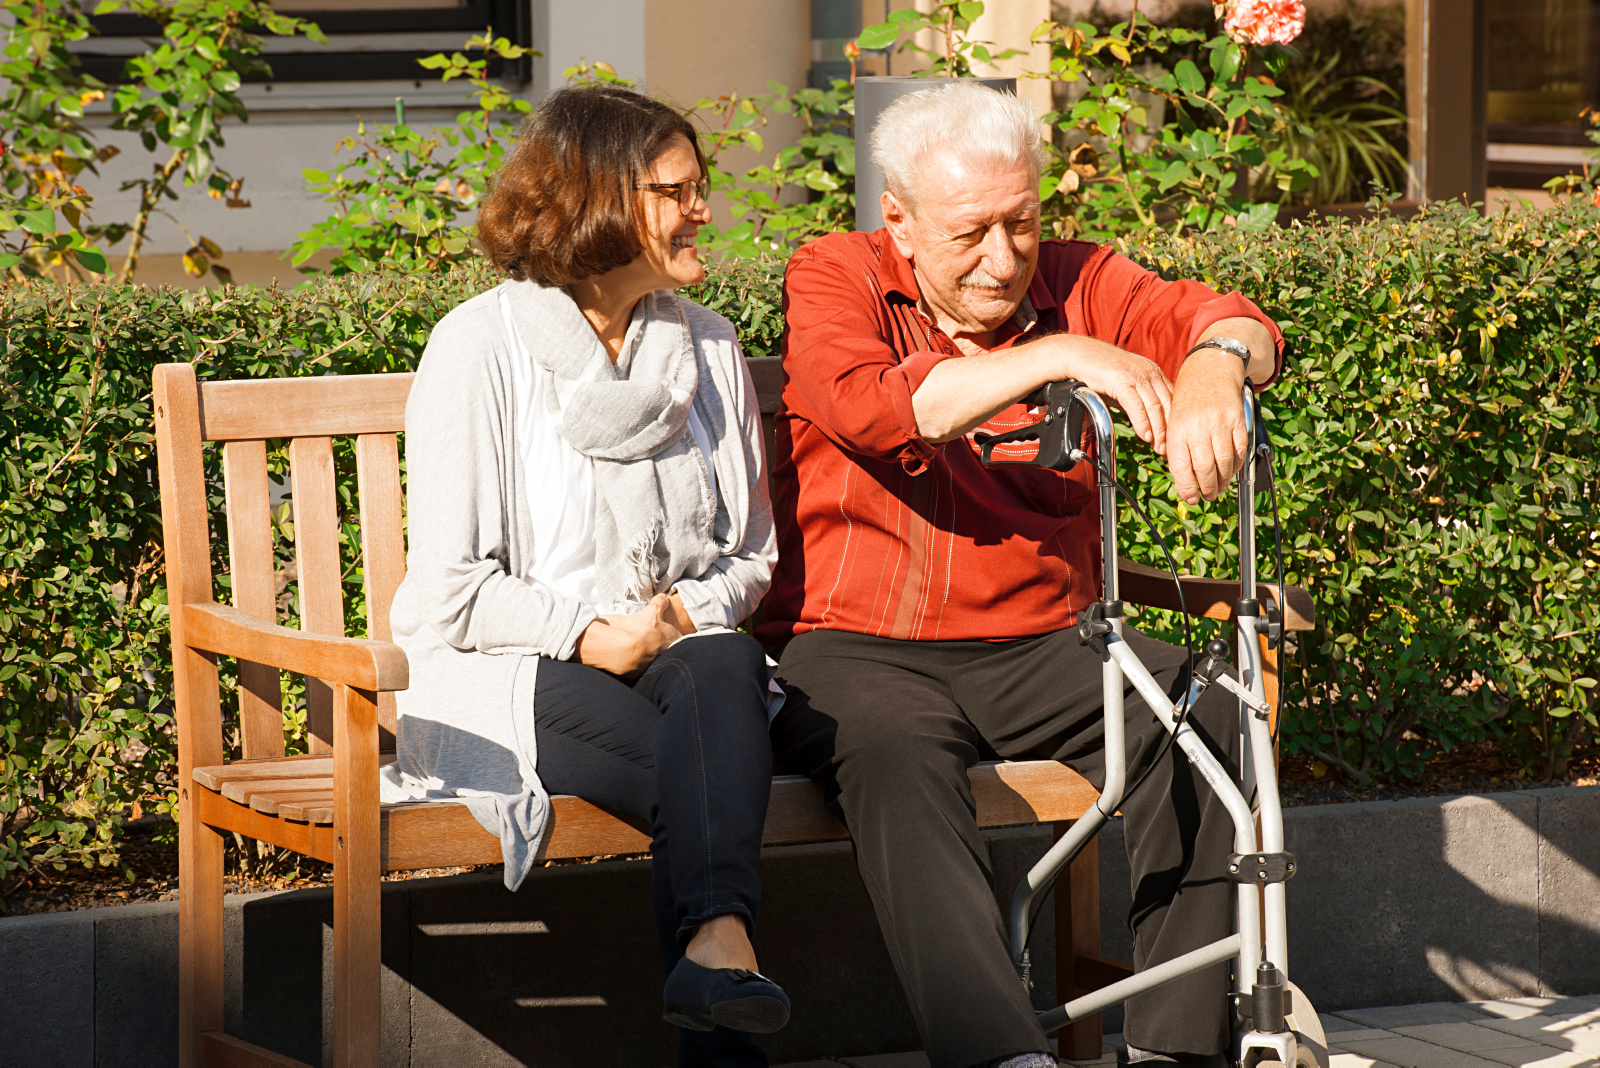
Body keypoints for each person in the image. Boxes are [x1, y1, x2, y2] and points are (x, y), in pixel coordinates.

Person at [759, 82, 1284, 1068]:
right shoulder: (836, 274)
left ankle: (1179, 1049)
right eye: (971, 233)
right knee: (883, 748)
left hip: (1049, 647)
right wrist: (1073, 356)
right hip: (863, 651)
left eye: (1022, 224)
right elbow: (871, 405)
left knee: (1210, 705)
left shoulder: (1082, 279)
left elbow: (1230, 318)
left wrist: (1213, 362)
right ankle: (1002, 1054)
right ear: (899, 221)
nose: (1002, 260)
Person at [382, 84, 786, 1067]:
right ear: (599, 200)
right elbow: (452, 589)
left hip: (672, 650)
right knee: (696, 774)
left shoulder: (709, 347)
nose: (704, 211)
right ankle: (722, 979)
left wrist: (676, 613)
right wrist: (583, 631)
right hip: (499, 663)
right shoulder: (479, 348)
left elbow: (749, 557)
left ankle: (715, 953)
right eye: (677, 190)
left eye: (702, 189)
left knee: (723, 669)